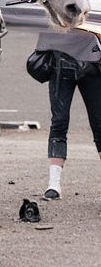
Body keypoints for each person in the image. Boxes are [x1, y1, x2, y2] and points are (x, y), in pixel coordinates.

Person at [35, 28, 101, 200]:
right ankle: (54, 184)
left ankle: (54, 184)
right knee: (59, 121)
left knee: (99, 123)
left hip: (93, 63)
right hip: (61, 60)